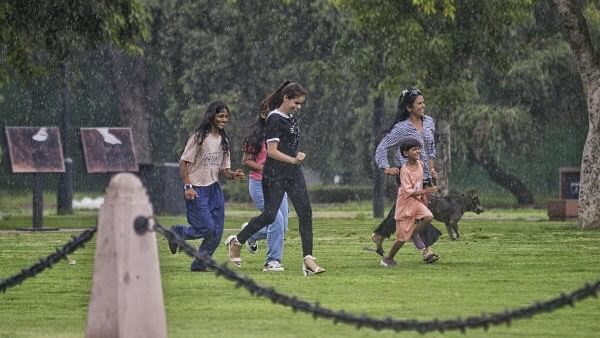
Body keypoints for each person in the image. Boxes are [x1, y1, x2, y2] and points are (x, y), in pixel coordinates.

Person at [225, 80, 325, 276]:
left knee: (306, 213)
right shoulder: (274, 118)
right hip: (274, 175)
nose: (298, 107)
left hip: (292, 173)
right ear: (285, 98)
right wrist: (292, 159)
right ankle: (238, 241)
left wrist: (297, 156)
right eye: (295, 102)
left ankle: (308, 260)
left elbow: (289, 146)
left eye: (301, 104)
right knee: (271, 217)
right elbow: (271, 152)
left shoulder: (291, 119)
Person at [168, 101, 245, 272]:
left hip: (214, 189)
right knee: (206, 228)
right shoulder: (199, 137)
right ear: (212, 116)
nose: (223, 119)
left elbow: (224, 170)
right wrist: (188, 186)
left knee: (216, 233)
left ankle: (199, 264)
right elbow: (183, 163)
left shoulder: (224, 140)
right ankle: (176, 232)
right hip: (196, 188)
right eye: (220, 116)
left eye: (226, 116)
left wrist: (233, 175)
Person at [371, 88, 441, 262]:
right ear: (409, 108)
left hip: (423, 174)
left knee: (403, 209)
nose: (423, 106)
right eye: (419, 103)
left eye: (424, 102)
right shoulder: (401, 128)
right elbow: (383, 146)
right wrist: (386, 167)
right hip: (407, 174)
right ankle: (426, 250)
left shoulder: (430, 122)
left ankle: (380, 235)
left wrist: (431, 169)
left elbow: (430, 149)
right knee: (418, 211)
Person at [238, 100, 289, 272]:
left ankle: (249, 233)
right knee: (275, 219)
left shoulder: (282, 131)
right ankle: (272, 262)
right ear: (263, 114)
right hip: (259, 183)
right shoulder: (255, 134)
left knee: (283, 226)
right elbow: (246, 161)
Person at [380, 138, 438, 267]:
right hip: (404, 206)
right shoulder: (404, 171)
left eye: (418, 149)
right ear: (406, 153)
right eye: (414, 149)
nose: (418, 151)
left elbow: (419, 185)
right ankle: (388, 258)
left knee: (428, 217)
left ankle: (414, 234)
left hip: (416, 203)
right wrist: (427, 191)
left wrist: (424, 200)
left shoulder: (421, 165)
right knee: (401, 239)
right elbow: (408, 192)